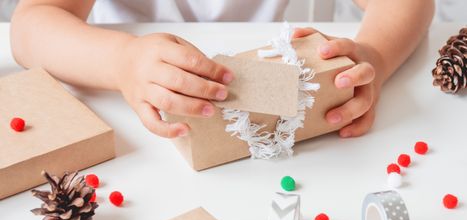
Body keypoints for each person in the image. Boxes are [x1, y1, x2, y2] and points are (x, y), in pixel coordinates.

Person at [10, 0, 434, 139]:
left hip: (274, 120)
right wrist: (123, 62)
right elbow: (31, 26)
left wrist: (373, 55)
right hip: (128, 121)